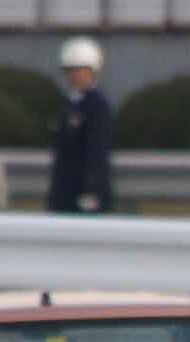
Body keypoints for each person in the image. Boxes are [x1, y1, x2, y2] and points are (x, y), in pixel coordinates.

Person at [48, 36, 114, 214]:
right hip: (65, 190)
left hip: (86, 192)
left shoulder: (98, 105)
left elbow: (97, 151)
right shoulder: (69, 104)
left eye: (79, 70)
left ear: (92, 71)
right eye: (69, 70)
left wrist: (91, 190)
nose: (73, 75)